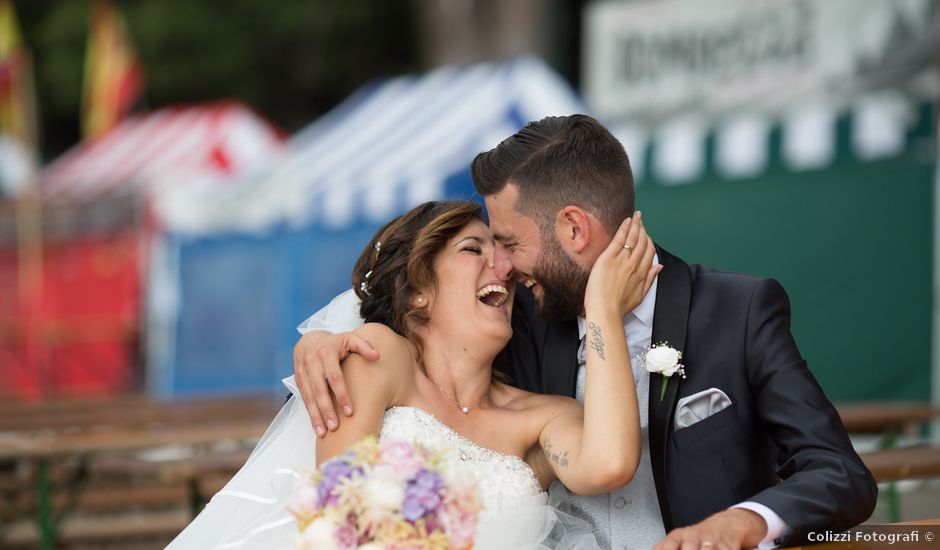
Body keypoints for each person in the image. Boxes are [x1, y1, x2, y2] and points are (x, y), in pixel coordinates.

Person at [293, 115, 878, 549]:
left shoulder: (738, 310)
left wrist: (747, 520)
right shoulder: (512, 320)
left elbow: (840, 473)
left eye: (509, 242)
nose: (503, 266)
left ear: (573, 229)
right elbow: (421, 330)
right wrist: (323, 341)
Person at [169, 200, 661, 549]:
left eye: (505, 253)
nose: (503, 268)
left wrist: (602, 308)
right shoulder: (378, 357)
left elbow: (610, 463)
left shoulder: (540, 419)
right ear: (419, 290)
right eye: (474, 248)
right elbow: (336, 514)